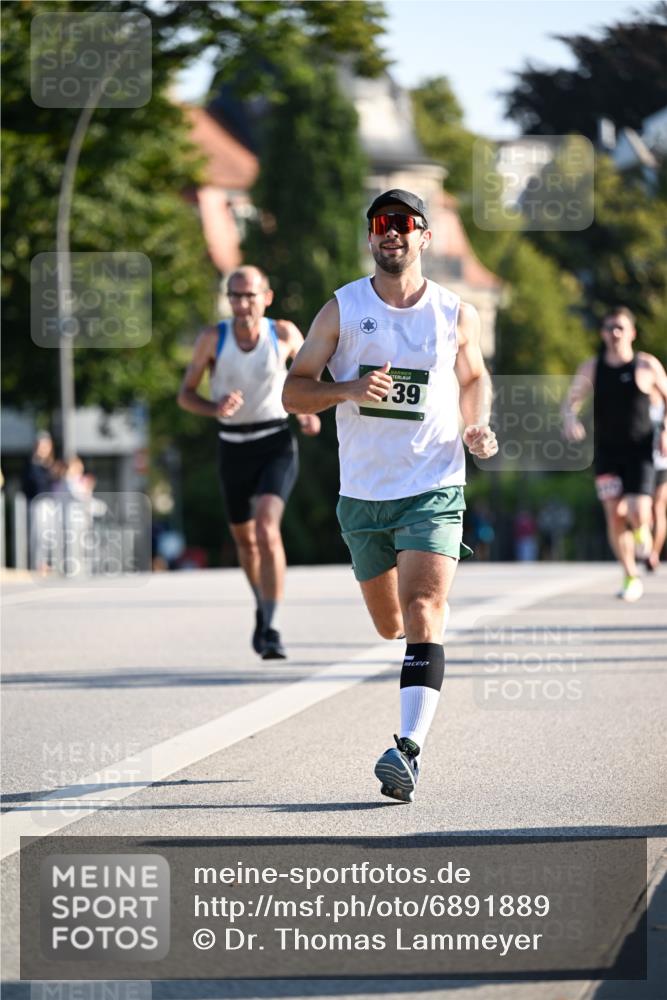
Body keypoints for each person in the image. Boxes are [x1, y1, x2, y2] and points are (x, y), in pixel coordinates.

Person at [282, 189, 497, 802]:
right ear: (371, 236)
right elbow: (294, 393)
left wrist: (477, 424)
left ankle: (408, 750)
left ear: (424, 235)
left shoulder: (454, 313)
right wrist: (347, 389)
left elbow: (474, 376)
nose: (391, 232)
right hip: (364, 493)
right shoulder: (343, 310)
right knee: (391, 624)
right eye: (381, 223)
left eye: (402, 223)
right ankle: (420, 643)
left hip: (433, 483)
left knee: (424, 606)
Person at [178, 266, 320, 659]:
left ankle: (271, 626)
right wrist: (214, 407)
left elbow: (312, 380)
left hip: (275, 442)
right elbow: (185, 394)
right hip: (232, 447)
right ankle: (261, 603)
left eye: (250, 296)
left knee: (266, 527)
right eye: (235, 296)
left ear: (267, 297)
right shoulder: (213, 338)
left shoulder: (284, 334)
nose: (242, 304)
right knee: (244, 540)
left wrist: (308, 412)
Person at [562, 306, 667, 601]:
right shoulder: (592, 368)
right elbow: (571, 401)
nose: (615, 333)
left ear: (632, 332)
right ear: (603, 333)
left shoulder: (646, 365)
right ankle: (630, 575)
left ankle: (642, 530)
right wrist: (569, 418)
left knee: (638, 510)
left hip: (641, 451)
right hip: (607, 452)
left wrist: (665, 431)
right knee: (614, 515)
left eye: (620, 327)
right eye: (609, 328)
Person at [648, 397, 667, 571]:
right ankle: (645, 543)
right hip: (640, 463)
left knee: (658, 507)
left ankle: (654, 553)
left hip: (662, 463)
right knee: (643, 509)